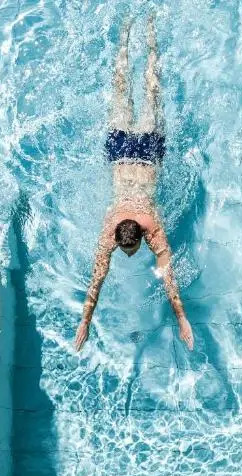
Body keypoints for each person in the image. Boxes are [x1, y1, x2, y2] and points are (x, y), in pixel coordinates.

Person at [74, 16, 194, 352]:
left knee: (142, 90)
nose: (129, 253)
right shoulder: (120, 228)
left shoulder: (142, 227)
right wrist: (181, 317)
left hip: (144, 155)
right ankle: (145, 33)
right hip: (122, 156)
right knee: (128, 88)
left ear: (137, 235)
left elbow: (97, 282)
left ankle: (133, 32)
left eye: (129, 250)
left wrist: (85, 320)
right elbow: (167, 279)